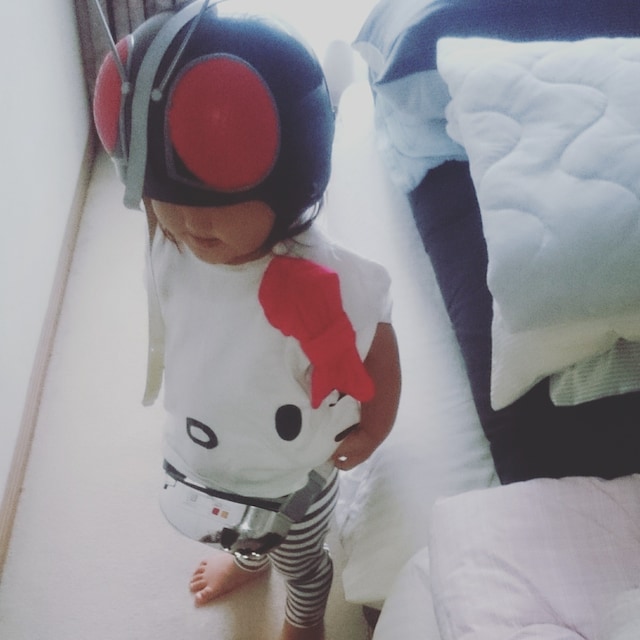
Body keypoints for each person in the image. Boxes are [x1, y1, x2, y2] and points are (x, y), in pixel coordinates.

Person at [92, 2, 401, 639]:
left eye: (216, 205)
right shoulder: (170, 240)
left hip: (295, 469)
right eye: (165, 199)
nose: (189, 221)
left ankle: (304, 615)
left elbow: (379, 336)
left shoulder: (318, 276)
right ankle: (247, 559)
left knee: (300, 556)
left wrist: (375, 426)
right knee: (235, 526)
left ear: (289, 184)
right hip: (210, 451)